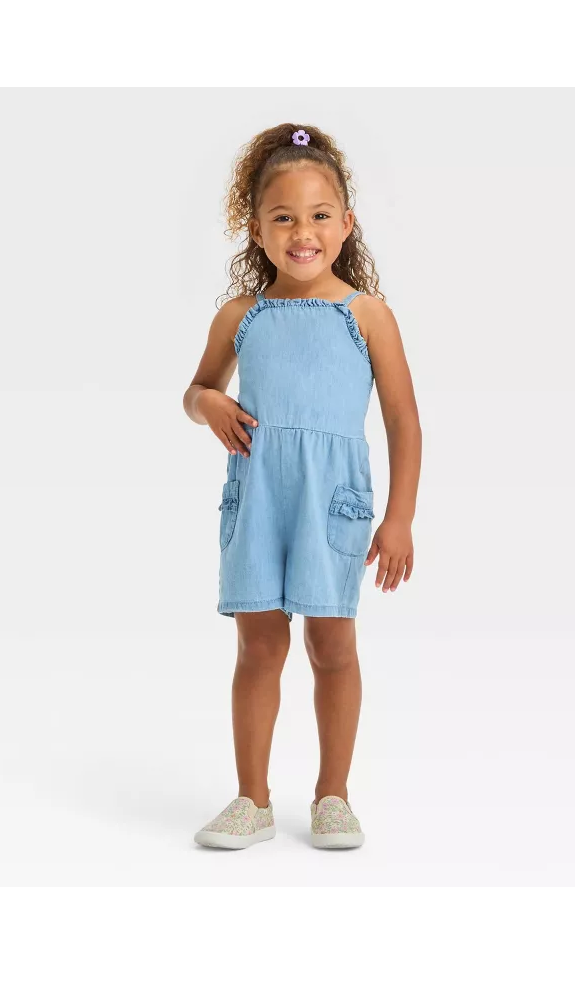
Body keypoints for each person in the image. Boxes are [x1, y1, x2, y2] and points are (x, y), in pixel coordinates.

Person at [183, 123, 421, 850]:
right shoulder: (240, 316)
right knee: (258, 647)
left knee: (332, 644)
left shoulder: (367, 315)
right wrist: (210, 404)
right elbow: (196, 391)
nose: (302, 232)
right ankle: (252, 800)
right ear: (256, 230)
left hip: (332, 503)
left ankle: (332, 796)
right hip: (257, 498)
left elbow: (404, 421)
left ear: (346, 223)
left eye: (319, 216)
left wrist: (400, 518)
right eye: (282, 217)